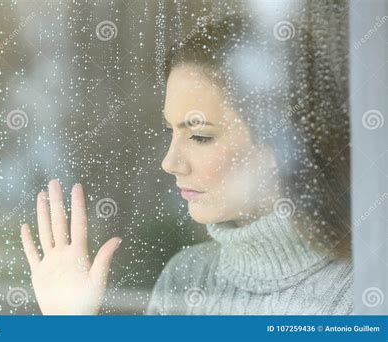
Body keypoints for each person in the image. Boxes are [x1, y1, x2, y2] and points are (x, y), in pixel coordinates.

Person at [20, 15, 353, 315]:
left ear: (283, 142)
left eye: (201, 136)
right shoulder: (185, 278)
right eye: (171, 130)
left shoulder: (364, 291)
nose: (169, 162)